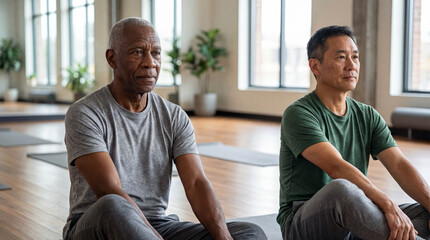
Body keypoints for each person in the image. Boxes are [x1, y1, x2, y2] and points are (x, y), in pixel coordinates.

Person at [63, 17, 266, 240]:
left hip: (158, 226)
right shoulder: (85, 113)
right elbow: (108, 189)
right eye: (137, 52)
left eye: (156, 53)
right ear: (112, 59)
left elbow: (197, 183)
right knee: (114, 205)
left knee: (248, 232)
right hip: (98, 226)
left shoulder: (173, 116)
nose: (150, 63)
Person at [277, 25, 430, 240]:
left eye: (355, 57)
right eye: (341, 57)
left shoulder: (367, 115)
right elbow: (335, 166)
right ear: (315, 66)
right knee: (341, 190)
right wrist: (388, 205)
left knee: (425, 209)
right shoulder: (298, 113)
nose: (351, 65)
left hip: (355, 220)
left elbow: (399, 165)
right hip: (304, 224)